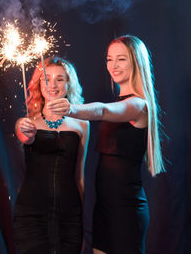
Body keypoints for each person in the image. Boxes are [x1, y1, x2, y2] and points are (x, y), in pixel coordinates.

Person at [47, 35, 165, 254]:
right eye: (110, 59)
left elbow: (102, 110)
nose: (113, 65)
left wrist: (71, 108)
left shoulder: (139, 104)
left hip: (127, 210)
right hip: (103, 207)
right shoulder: (121, 101)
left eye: (121, 59)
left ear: (135, 62)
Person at [14, 57, 89, 253]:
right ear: (39, 83)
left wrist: (81, 220)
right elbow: (24, 136)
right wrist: (27, 133)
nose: (53, 85)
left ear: (69, 83)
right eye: (47, 79)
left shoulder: (82, 124)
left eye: (60, 79)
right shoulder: (26, 122)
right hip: (31, 215)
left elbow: (79, 177)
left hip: (69, 215)